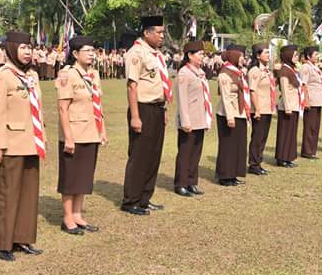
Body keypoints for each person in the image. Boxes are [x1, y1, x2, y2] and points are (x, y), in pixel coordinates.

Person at [0, 31, 46, 261]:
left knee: (29, 194)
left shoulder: (32, 76)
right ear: (11, 49)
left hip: (31, 142)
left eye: (30, 47)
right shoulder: (2, 77)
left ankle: (22, 237)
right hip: (11, 143)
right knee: (6, 194)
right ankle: (2, 242)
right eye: (22, 47)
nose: (28, 52)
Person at [56, 36, 109, 234]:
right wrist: (68, 137)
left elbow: (97, 104)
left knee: (85, 175)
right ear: (76, 54)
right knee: (71, 177)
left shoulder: (94, 74)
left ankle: (78, 214)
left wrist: (102, 129)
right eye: (87, 51)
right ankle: (68, 217)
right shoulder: (67, 74)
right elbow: (63, 109)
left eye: (93, 50)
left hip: (91, 131)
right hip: (74, 133)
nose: (91, 54)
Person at [121, 15, 170, 215]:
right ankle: (130, 200)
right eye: (158, 32)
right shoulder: (136, 53)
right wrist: (135, 116)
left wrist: (164, 109)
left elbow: (160, 84)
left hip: (157, 108)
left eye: (163, 32)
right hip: (142, 108)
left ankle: (144, 198)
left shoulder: (156, 54)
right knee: (139, 156)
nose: (162, 36)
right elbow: (132, 86)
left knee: (153, 155)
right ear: (147, 33)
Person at [174, 40, 211, 196]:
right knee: (185, 153)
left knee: (196, 152)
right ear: (190, 55)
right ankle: (181, 183)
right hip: (189, 119)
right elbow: (182, 99)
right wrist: (185, 121)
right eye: (200, 54)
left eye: (203, 54)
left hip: (200, 118)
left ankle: (192, 182)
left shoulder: (199, 72)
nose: (203, 57)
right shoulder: (184, 73)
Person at [215, 44, 249, 186]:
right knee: (228, 145)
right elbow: (225, 97)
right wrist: (230, 117)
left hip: (239, 113)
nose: (243, 59)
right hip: (228, 114)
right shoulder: (225, 73)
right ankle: (225, 176)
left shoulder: (238, 72)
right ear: (234, 56)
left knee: (238, 145)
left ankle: (234, 173)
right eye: (241, 56)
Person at [246, 43, 275, 176]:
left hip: (267, 108)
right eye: (266, 53)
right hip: (259, 109)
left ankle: (258, 161)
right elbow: (252, 91)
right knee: (257, 137)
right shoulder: (254, 71)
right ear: (258, 55)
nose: (269, 55)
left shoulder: (266, 71)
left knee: (263, 137)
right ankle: (253, 164)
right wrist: (257, 109)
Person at [275, 45, 301, 167]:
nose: (297, 57)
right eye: (295, 55)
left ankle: (288, 156)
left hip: (294, 105)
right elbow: (284, 90)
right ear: (288, 56)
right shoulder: (284, 70)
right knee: (285, 133)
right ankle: (282, 158)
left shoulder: (291, 69)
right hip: (287, 106)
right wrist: (287, 107)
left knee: (291, 133)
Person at [300, 46, 322, 159]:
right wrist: (305, 101)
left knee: (315, 126)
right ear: (308, 56)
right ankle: (307, 151)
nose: (317, 56)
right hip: (310, 100)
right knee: (310, 127)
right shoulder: (305, 67)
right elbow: (303, 85)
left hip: (318, 100)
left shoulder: (315, 67)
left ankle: (312, 150)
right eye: (315, 55)